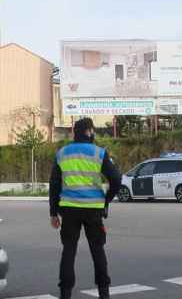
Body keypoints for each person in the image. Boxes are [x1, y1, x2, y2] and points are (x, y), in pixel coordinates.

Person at [49, 118, 122, 299]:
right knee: (97, 251)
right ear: (89, 132)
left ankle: (65, 295)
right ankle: (104, 294)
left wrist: (53, 212)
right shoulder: (98, 153)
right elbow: (116, 179)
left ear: (75, 132)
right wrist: (106, 200)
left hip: (69, 210)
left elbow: (54, 184)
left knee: (68, 251)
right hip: (93, 210)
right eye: (92, 131)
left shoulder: (62, 153)